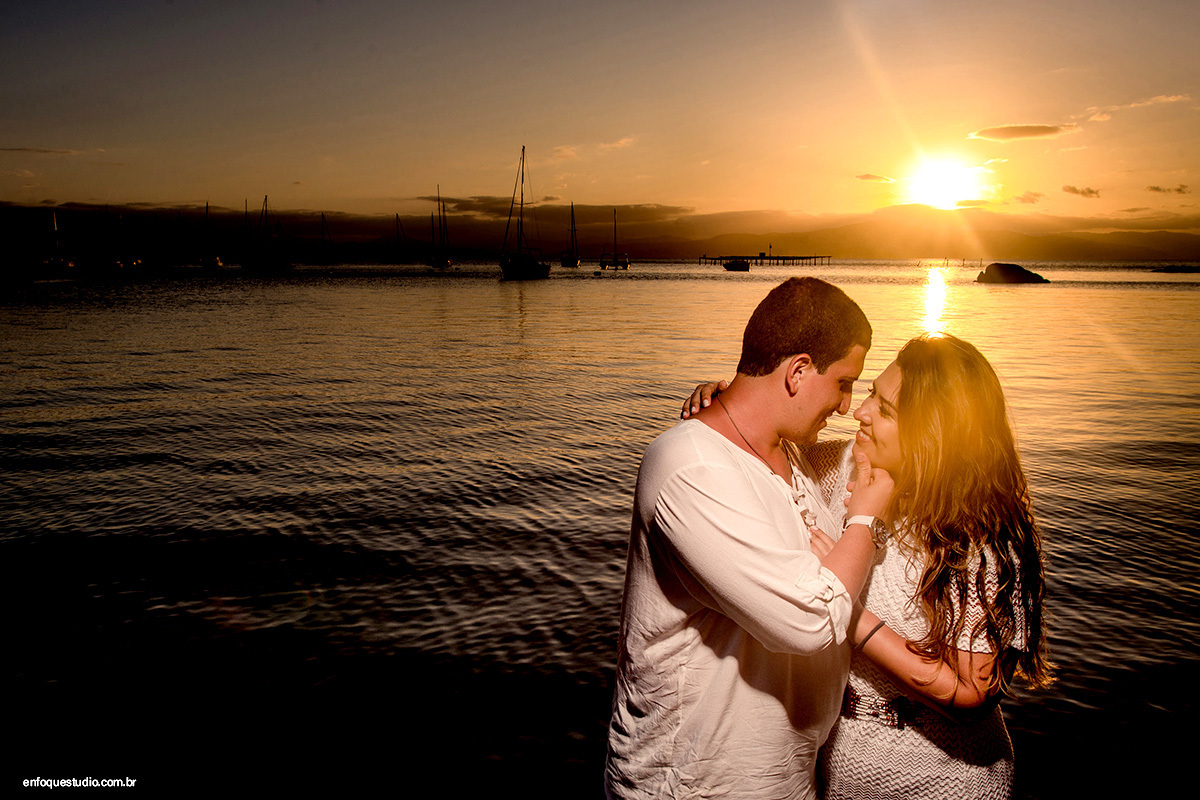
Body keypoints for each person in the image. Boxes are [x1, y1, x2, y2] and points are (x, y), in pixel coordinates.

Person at [684, 333, 1052, 799]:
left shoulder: (982, 538)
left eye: (885, 408)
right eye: (873, 393)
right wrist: (726, 403)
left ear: (934, 433)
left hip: (947, 781)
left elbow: (971, 694)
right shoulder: (842, 466)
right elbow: (759, 438)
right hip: (839, 770)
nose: (860, 411)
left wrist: (847, 613)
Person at [605, 277, 892, 800]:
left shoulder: (795, 454)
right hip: (695, 786)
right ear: (798, 371)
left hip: (783, 780)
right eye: (845, 383)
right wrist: (865, 521)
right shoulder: (691, 468)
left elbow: (900, 443)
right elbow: (809, 618)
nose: (848, 407)